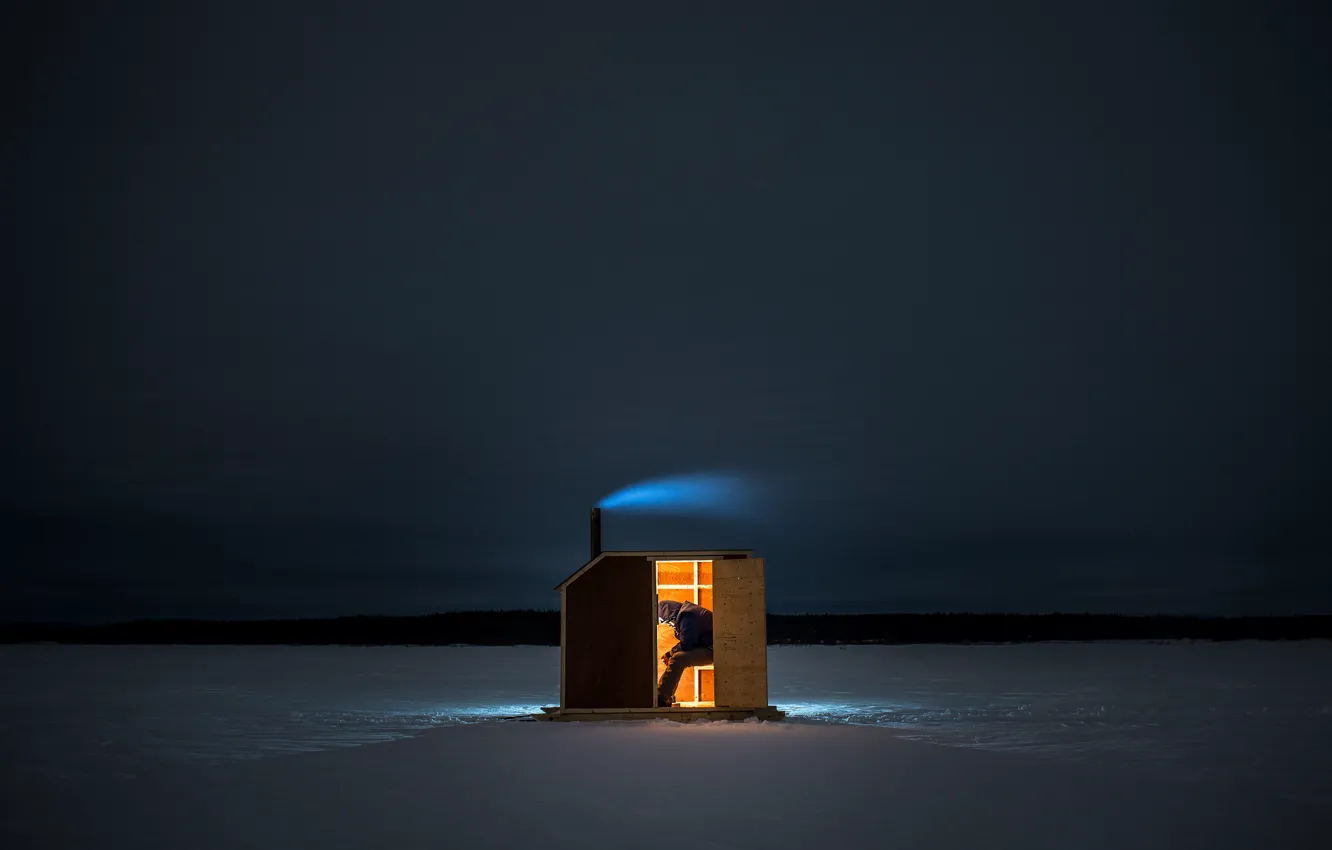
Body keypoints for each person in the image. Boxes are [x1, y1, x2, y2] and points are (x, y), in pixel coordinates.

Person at [657, 599, 713, 707]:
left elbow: (687, 644)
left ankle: (661, 698)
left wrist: (670, 653)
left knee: (678, 659)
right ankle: (665, 695)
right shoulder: (686, 613)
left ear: (671, 616)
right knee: (677, 657)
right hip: (709, 645)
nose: (669, 625)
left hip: (715, 649)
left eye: (668, 623)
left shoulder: (688, 616)